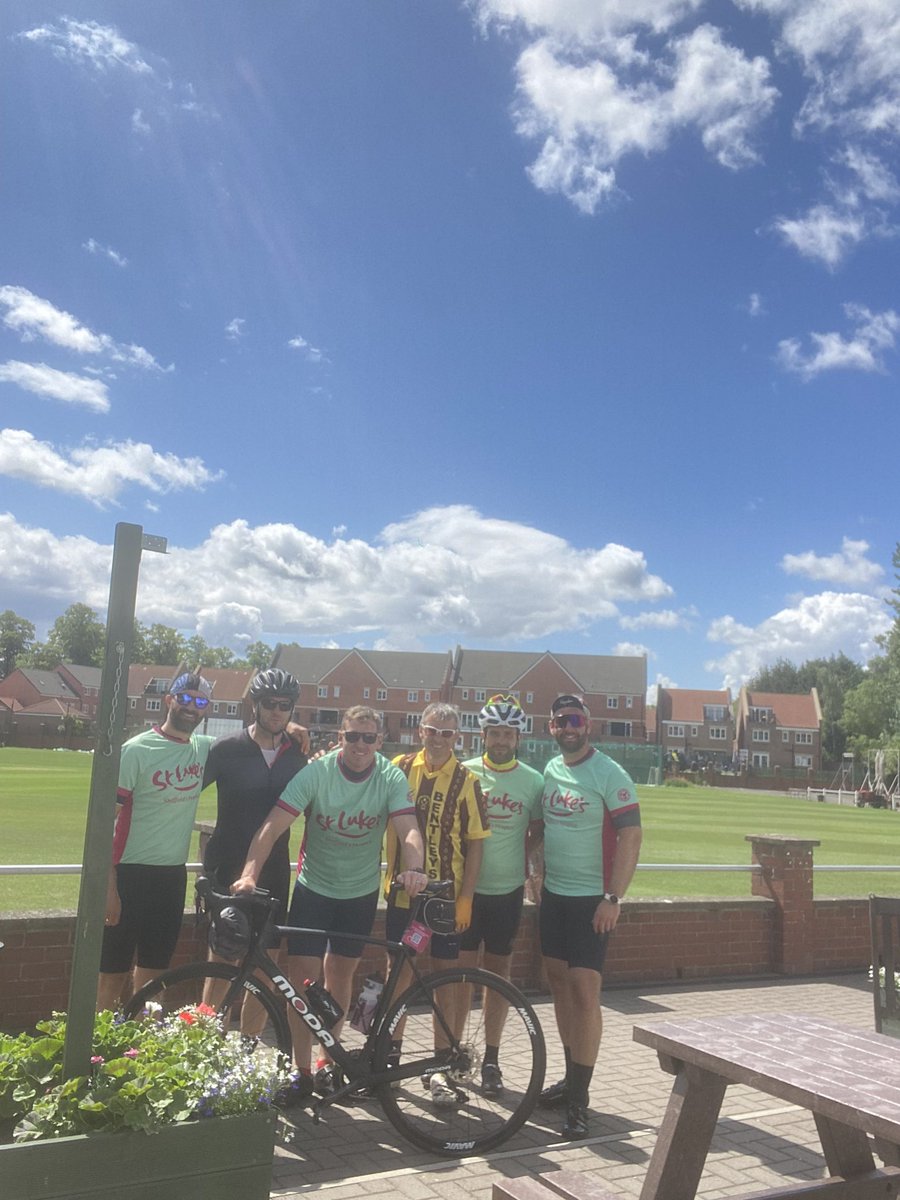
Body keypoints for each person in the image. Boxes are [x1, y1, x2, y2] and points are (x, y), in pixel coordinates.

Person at [232, 705, 427, 1092]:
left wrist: (415, 868)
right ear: (340, 737)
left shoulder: (389, 776)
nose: (360, 744)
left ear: (379, 741)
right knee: (302, 981)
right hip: (314, 888)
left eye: (368, 737)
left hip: (358, 893)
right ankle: (299, 1070)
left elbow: (409, 830)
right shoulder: (317, 773)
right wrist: (249, 873)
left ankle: (328, 1061)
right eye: (352, 736)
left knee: (340, 976)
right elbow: (272, 826)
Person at [534, 694, 642, 1140]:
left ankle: (581, 1098)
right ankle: (569, 1077)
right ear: (551, 727)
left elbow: (632, 835)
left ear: (588, 724)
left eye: (575, 719)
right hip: (554, 898)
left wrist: (613, 897)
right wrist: (536, 872)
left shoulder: (610, 773)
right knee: (558, 983)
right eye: (561, 721)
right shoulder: (550, 769)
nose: (568, 727)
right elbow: (541, 828)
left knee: (584, 992)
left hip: (591, 901)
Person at [383, 701, 490, 1107]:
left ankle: (441, 1068)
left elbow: (476, 844)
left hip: (445, 899)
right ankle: (389, 1063)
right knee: (399, 976)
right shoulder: (398, 765)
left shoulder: (467, 780)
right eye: (433, 730)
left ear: (457, 738)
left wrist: (466, 898)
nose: (441, 739)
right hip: (401, 894)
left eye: (449, 733)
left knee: (447, 980)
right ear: (420, 731)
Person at [97, 673, 218, 1011]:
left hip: (171, 875)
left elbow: (251, 743)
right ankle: (98, 1052)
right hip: (128, 873)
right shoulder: (136, 751)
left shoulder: (204, 749)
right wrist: (108, 888)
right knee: (111, 972)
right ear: (169, 700)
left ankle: (142, 1050)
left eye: (200, 702)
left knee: (155, 973)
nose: (191, 707)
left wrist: (294, 732)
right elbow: (104, 822)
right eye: (185, 698)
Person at [201, 669, 308, 1034]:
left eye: (285, 705)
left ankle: (246, 1048)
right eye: (269, 704)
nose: (277, 712)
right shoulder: (226, 749)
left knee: (265, 965)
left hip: (275, 869)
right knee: (222, 960)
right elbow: (182, 796)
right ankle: (201, 1042)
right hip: (227, 866)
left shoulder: (297, 755)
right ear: (254, 705)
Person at [459, 694, 544, 1097]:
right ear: (483, 734)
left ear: (518, 738)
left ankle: (491, 1058)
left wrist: (523, 859)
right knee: (457, 976)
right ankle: (452, 1052)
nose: (501, 740)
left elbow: (539, 828)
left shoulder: (533, 780)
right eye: (494, 732)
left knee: (497, 978)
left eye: (508, 734)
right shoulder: (464, 772)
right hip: (464, 893)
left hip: (506, 893)